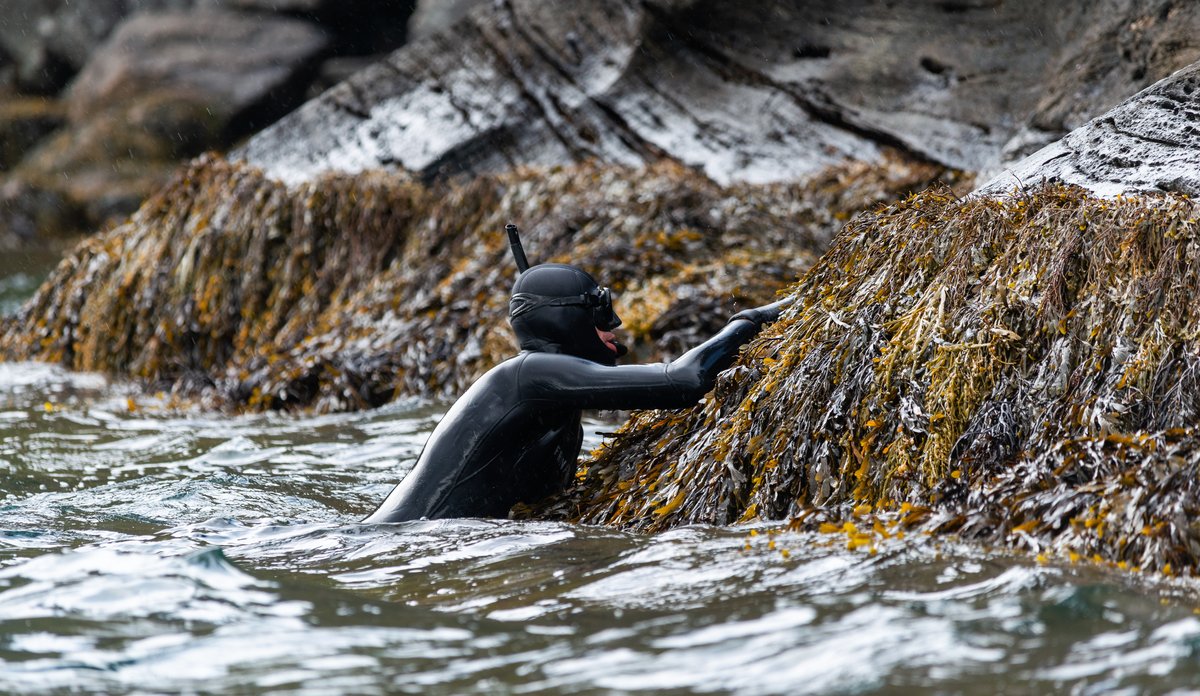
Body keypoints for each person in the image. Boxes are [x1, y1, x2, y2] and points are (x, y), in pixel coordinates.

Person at [363, 226, 787, 523]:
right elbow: (683, 382)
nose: (615, 324)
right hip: (393, 545)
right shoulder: (530, 375)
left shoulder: (552, 400)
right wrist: (756, 319)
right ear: (564, 319)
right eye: (601, 310)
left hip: (430, 545)